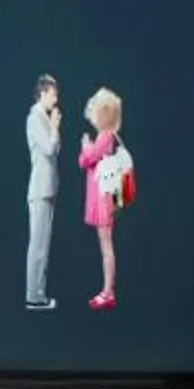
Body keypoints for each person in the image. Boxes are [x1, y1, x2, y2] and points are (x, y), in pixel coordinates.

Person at [79, 87, 126, 309]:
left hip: (103, 199)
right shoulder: (107, 136)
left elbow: (86, 160)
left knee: (106, 244)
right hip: (104, 198)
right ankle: (107, 290)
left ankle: (108, 292)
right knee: (104, 243)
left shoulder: (105, 136)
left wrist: (85, 145)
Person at [23, 74, 61, 310]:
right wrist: (55, 127)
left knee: (43, 245)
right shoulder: (35, 117)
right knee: (37, 244)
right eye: (54, 93)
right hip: (39, 188)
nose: (56, 98)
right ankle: (33, 295)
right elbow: (49, 148)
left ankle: (39, 293)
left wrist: (54, 128)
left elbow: (56, 147)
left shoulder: (43, 117)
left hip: (48, 187)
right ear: (44, 92)